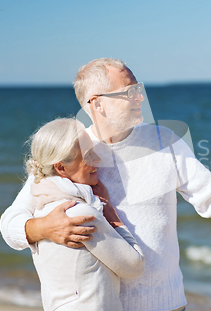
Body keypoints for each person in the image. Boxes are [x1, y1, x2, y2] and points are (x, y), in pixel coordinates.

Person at [0, 58, 211, 311]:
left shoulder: (165, 141)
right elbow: (10, 222)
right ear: (96, 104)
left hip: (168, 304)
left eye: (138, 88)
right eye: (128, 92)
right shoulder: (70, 153)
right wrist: (41, 229)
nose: (139, 97)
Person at [24, 117, 144, 310]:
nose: (97, 159)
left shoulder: (42, 209)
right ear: (61, 167)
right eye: (88, 155)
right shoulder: (81, 214)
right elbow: (134, 266)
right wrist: (111, 214)